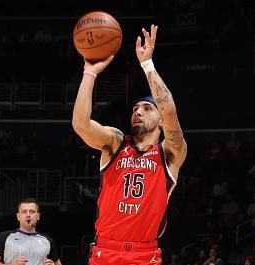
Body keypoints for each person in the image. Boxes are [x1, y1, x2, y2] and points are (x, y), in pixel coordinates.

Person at [72, 24, 187, 265]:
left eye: (146, 108)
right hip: (105, 251)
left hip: (145, 255)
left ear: (160, 123)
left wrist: (147, 65)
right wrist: (89, 73)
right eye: (135, 109)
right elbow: (81, 125)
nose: (138, 112)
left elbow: (169, 111)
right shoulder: (114, 142)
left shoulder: (169, 152)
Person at [0, 198, 62, 265]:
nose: (28, 215)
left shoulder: (48, 241)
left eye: (32, 211)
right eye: (24, 211)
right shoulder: (4, 237)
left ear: (38, 216)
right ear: (18, 216)